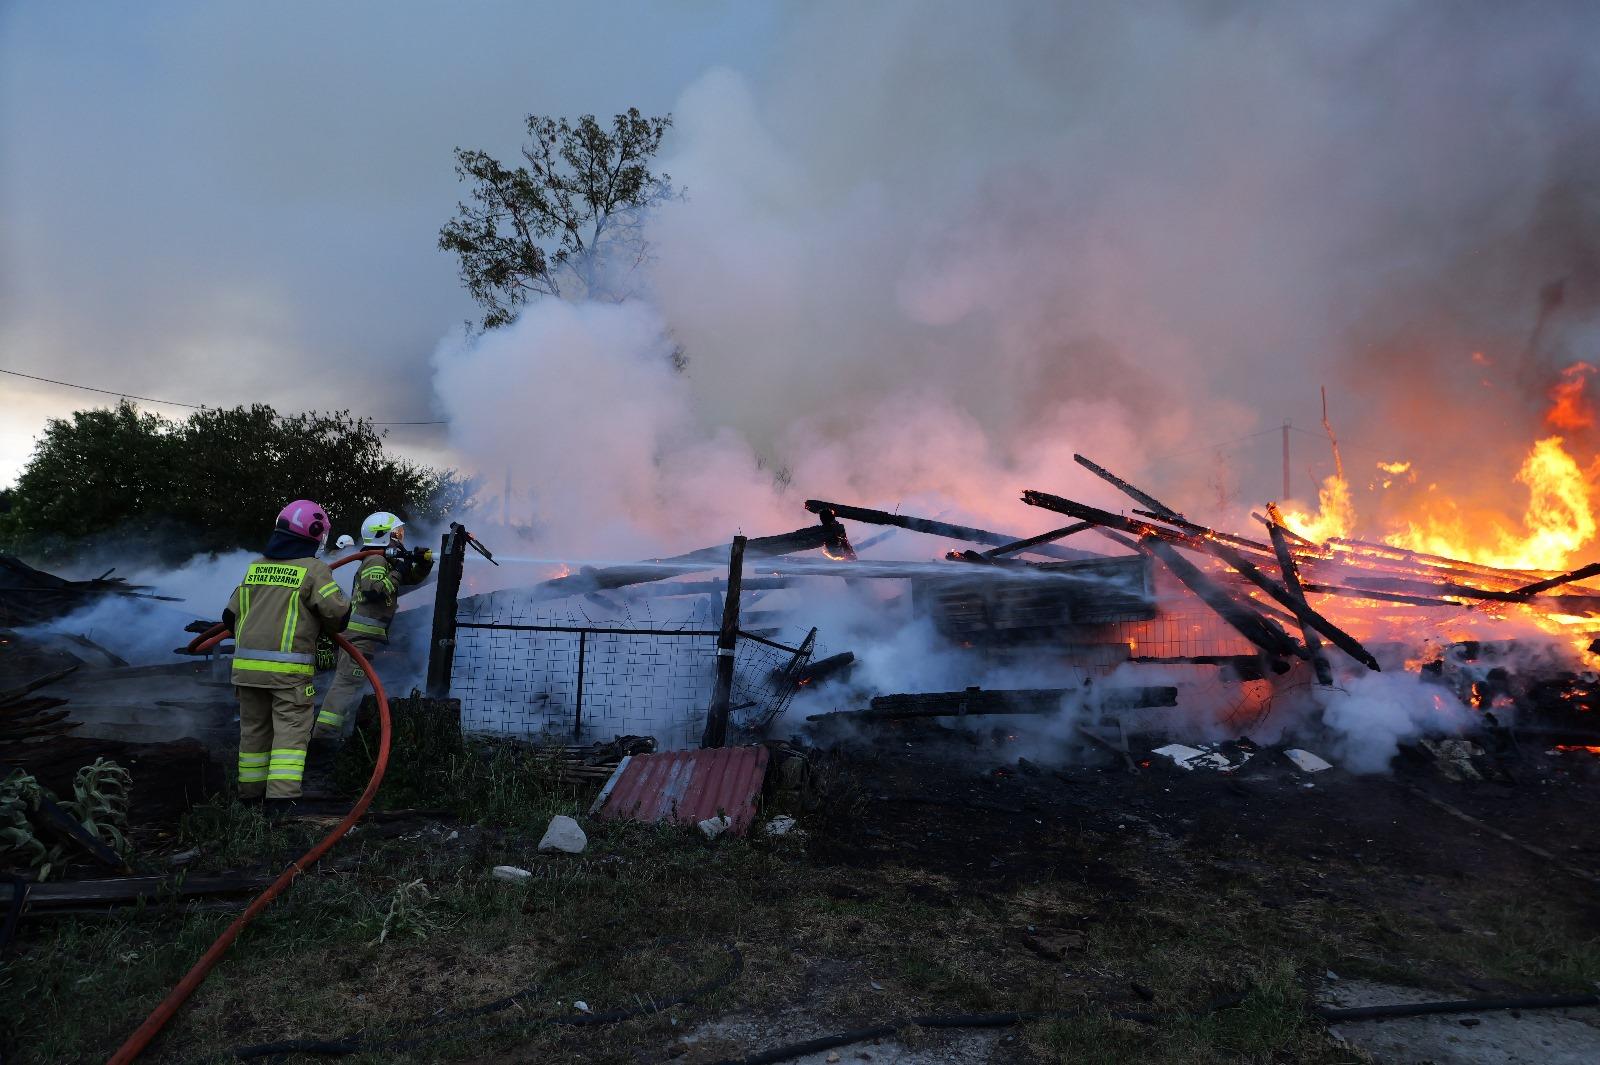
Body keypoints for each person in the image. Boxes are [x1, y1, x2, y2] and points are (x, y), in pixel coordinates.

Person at [222, 500, 350, 815]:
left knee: (254, 731)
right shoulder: (314, 570)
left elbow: (229, 616)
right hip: (288, 674)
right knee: (290, 733)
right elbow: (338, 616)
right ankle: (281, 804)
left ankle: (250, 798)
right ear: (315, 533)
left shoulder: (256, 567)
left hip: (246, 672)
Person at [313, 511, 432, 745]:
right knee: (346, 685)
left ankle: (340, 735)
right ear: (383, 536)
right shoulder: (376, 561)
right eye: (396, 534)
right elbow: (373, 590)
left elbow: (411, 578)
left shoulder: (384, 560)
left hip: (363, 638)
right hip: (358, 637)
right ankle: (323, 738)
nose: (400, 538)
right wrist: (400, 570)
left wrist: (423, 564)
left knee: (352, 685)